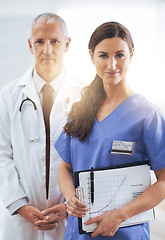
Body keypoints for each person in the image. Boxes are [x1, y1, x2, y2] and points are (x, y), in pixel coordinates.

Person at [56, 21, 165, 240]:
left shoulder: (148, 115)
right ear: (91, 56)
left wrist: (119, 216)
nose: (112, 64)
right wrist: (70, 197)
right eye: (103, 55)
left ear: (131, 54)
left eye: (120, 55)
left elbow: (163, 181)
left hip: (126, 233)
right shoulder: (80, 111)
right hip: (79, 233)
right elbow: (65, 169)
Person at [0, 13, 85, 240]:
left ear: (67, 44)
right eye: (40, 41)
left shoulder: (86, 95)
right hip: (21, 219)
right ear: (30, 45)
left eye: (55, 41)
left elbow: (90, 157)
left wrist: (69, 204)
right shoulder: (8, 96)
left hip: (68, 215)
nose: (47, 49)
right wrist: (20, 205)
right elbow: (1, 155)